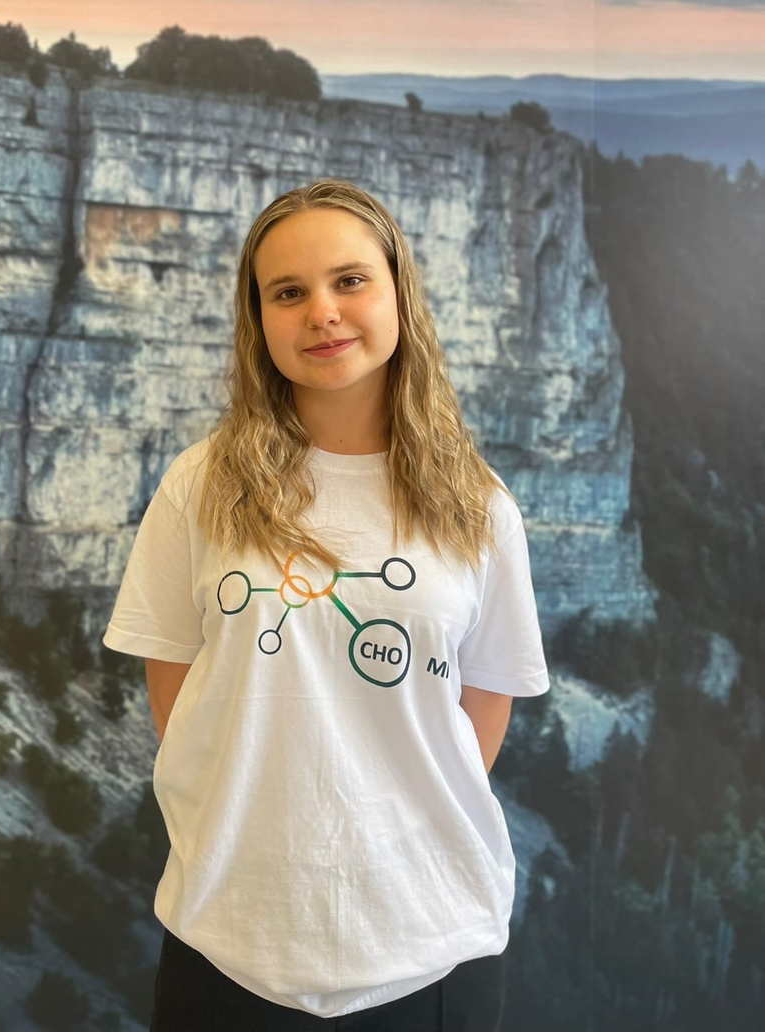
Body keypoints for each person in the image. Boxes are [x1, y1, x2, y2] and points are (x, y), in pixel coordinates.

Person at [102, 178, 551, 1031]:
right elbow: (179, 693)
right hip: (229, 944)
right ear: (258, 320)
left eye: (350, 280)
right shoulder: (200, 486)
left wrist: (384, 823)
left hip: (429, 945)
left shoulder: (478, 504)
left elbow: (485, 703)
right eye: (288, 292)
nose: (323, 313)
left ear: (397, 292)